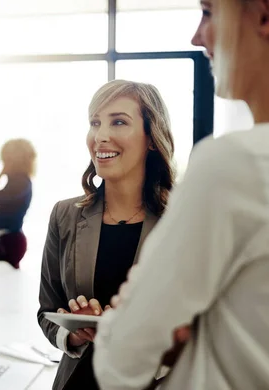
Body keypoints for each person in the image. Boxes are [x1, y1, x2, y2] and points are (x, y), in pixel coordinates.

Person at [93, 1, 269, 389]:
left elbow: (120, 358)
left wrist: (158, 331)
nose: (196, 36)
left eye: (209, 12)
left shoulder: (237, 163)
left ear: (265, 15)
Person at [37, 79, 176, 390]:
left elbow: (205, 327)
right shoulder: (65, 215)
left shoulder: (182, 219)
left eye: (119, 122)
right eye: (95, 123)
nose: (100, 136)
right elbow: (47, 311)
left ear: (151, 137)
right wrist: (74, 332)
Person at [0, 138, 36, 269]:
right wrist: (3, 172)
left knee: (3, 281)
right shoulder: (14, 180)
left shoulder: (21, 182)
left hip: (12, 241)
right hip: (4, 240)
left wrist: (3, 171)